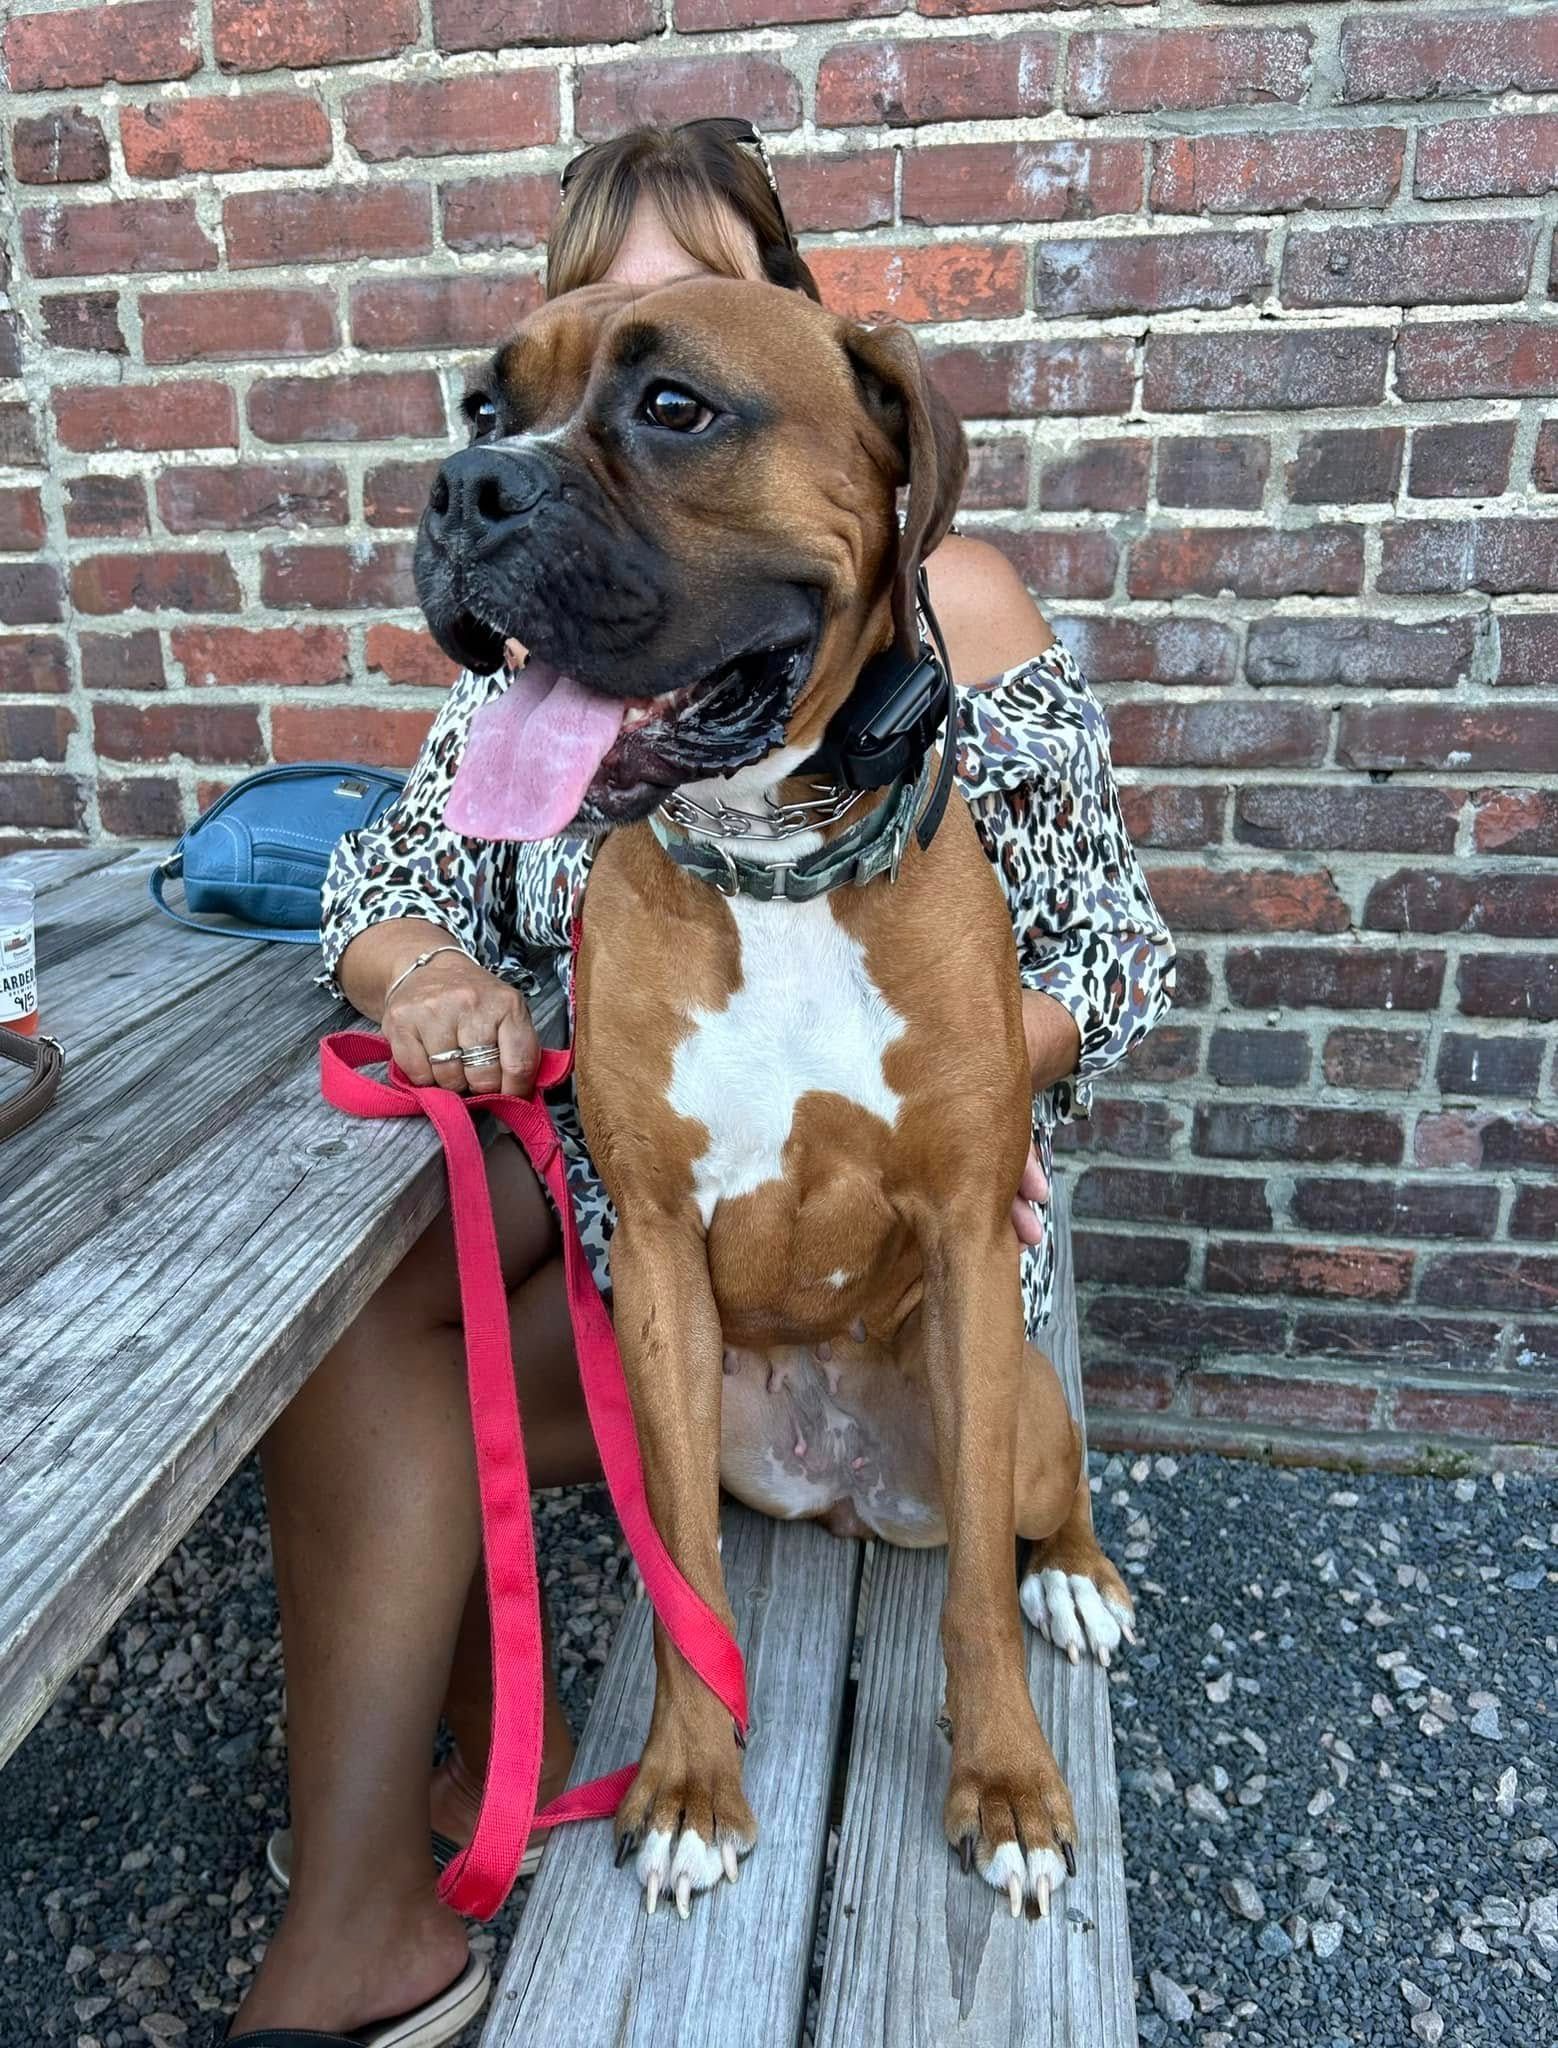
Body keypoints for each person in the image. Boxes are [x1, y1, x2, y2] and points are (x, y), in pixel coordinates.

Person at [225, 120, 1174, 2044]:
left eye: (670, 392)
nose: (531, 469)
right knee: (343, 1317)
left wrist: (964, 1098)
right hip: (660, 1272)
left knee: (1013, 1473)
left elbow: (1110, 953)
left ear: (840, 393)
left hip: (900, 1278)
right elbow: (388, 889)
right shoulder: (570, 670)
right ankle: (400, 1858)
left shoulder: (957, 614)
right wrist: (424, 984)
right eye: (527, 398)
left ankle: (1012, 1626)